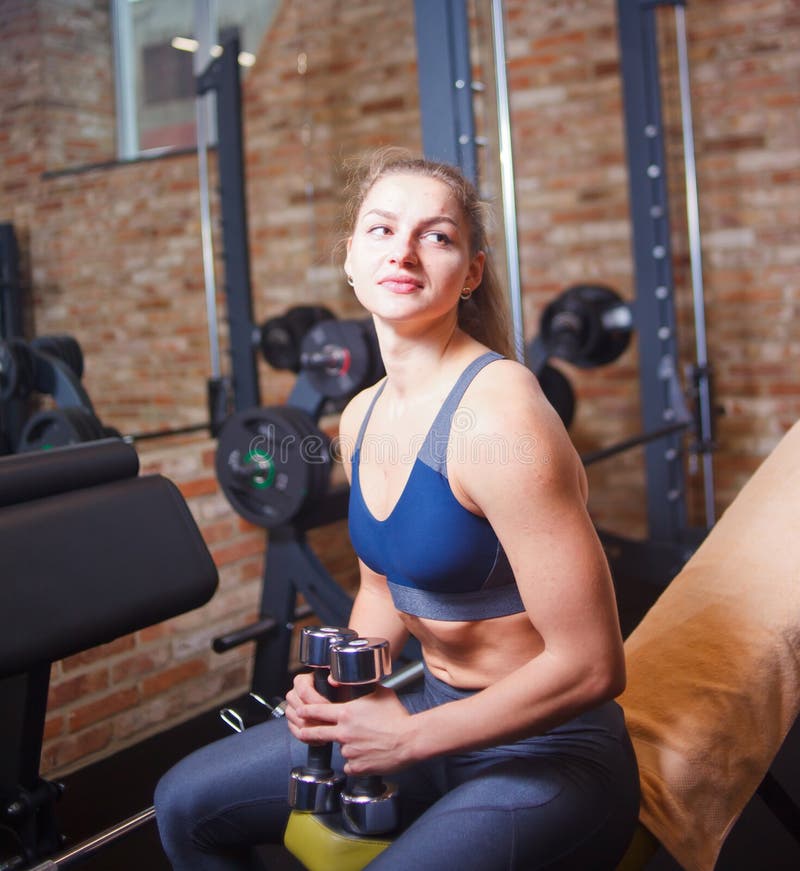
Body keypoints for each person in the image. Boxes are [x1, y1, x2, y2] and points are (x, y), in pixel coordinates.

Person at [154, 149, 640, 870]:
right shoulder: (359, 416)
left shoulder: (500, 415)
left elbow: (594, 665)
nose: (404, 251)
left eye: (436, 236)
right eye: (381, 230)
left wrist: (410, 739)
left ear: (470, 270)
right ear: (351, 257)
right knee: (183, 802)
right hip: (430, 717)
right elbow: (382, 589)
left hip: (547, 752)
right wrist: (335, 690)